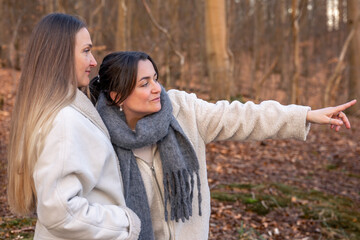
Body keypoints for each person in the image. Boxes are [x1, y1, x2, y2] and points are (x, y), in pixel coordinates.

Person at [90, 51, 356, 240]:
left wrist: (305, 115)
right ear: (117, 95)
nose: (157, 88)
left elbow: (242, 116)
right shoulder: (97, 133)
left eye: (155, 78)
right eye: (144, 83)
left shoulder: (184, 111)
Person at [7, 14, 141, 239]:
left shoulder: (59, 111)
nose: (94, 61)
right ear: (61, 55)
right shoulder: (64, 120)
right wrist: (126, 224)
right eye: (86, 50)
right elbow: (60, 212)